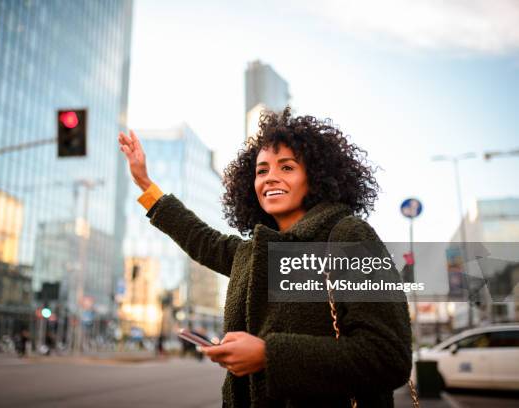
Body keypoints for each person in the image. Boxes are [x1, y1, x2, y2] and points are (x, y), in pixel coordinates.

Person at [118, 108, 412, 407]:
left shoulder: (350, 236)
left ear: (316, 177)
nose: (270, 178)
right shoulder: (253, 252)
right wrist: (145, 184)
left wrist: (267, 354)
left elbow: (388, 356)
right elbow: (201, 238)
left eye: (286, 167)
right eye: (262, 170)